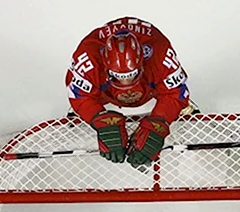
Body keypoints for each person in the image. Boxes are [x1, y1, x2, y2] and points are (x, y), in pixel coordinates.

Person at [66, 17, 191, 167]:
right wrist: (98, 118)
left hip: (149, 88)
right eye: (118, 77)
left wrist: (159, 122)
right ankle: (83, 114)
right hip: (106, 92)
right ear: (105, 65)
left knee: (175, 99)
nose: (126, 84)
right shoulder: (88, 57)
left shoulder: (160, 53)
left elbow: (174, 92)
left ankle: (183, 108)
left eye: (131, 76)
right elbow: (78, 94)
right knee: (86, 99)